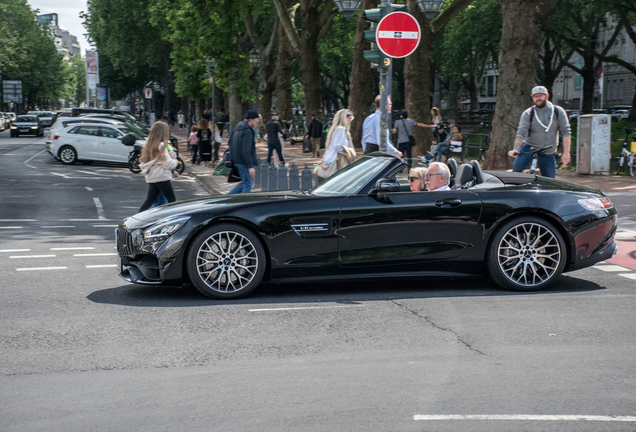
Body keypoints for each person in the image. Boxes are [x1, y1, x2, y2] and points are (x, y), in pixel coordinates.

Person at [508, 85, 571, 178]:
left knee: (550, 180)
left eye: (540, 96)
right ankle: (513, 189)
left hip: (548, 150)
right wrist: (515, 149)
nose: (538, 98)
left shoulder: (558, 111)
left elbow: (566, 132)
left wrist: (566, 153)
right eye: (535, 96)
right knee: (517, 167)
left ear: (547, 96)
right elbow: (521, 132)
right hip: (530, 147)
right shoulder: (528, 113)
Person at [138, 122, 178, 212]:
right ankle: (170, 219)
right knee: (172, 200)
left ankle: (136, 218)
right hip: (162, 177)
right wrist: (174, 159)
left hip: (152, 177)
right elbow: (167, 164)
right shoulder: (161, 146)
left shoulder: (150, 145)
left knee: (149, 200)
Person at [314, 109, 356, 178]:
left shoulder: (338, 129)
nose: (350, 117)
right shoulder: (341, 129)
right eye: (348, 115)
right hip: (337, 162)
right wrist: (349, 153)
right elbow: (337, 146)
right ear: (342, 117)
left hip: (332, 161)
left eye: (351, 115)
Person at [228, 110, 259, 194]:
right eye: (256, 118)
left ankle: (228, 197)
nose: (258, 120)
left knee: (245, 182)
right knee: (247, 184)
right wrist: (250, 166)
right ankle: (243, 203)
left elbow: (230, 142)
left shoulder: (237, 127)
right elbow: (246, 150)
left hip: (236, 159)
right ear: (251, 119)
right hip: (243, 162)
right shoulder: (247, 131)